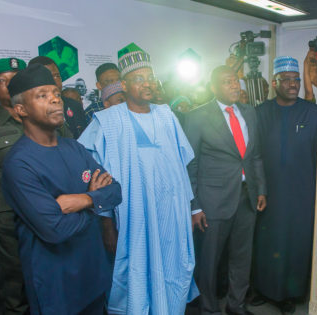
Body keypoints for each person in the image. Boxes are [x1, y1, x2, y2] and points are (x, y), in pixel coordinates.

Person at [78, 50, 198, 314]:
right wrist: (107, 225)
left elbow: (182, 167)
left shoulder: (167, 114)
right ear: (123, 85)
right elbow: (96, 179)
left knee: (173, 266)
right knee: (137, 269)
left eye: (151, 77)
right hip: (133, 218)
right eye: (138, 78)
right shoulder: (107, 121)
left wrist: (190, 209)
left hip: (171, 217)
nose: (147, 83)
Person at [2, 63, 122, 315]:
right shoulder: (19, 163)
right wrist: (96, 202)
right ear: (20, 110)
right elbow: (55, 229)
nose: (56, 100)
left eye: (56, 93)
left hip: (92, 274)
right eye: (43, 95)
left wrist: (83, 200)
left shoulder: (75, 148)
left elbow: (116, 191)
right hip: (56, 285)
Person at [184, 65, 267, 315]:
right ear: (213, 87)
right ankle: (208, 308)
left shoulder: (249, 113)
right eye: (227, 81)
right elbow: (190, 164)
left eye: (235, 80)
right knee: (209, 261)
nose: (234, 85)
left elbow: (255, 155)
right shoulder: (197, 116)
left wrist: (261, 188)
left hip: (247, 196)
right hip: (212, 201)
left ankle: (236, 304)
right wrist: (195, 205)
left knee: (242, 258)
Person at [252, 56, 317, 312]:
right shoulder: (260, 113)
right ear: (274, 82)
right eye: (287, 80)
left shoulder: (313, 113)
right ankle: (264, 290)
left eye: (296, 80)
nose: (293, 84)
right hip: (268, 194)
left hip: (302, 193)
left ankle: (292, 295)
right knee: (266, 242)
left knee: (296, 243)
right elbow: (253, 154)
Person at [0, 57, 29, 315]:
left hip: (47, 213)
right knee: (13, 283)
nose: (9, 86)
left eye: (14, 80)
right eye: (2, 81)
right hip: (7, 217)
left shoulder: (39, 115)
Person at [28, 56, 87, 138]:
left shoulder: (74, 106)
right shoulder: (29, 111)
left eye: (57, 76)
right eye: (47, 77)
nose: (54, 81)